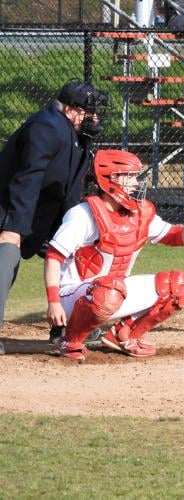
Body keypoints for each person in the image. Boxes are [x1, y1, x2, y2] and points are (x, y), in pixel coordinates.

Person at [43, 149, 184, 361]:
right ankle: (70, 339)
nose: (136, 184)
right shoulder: (83, 214)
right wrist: (54, 302)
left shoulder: (139, 213)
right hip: (71, 297)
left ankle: (123, 335)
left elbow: (171, 235)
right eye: (129, 177)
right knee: (109, 289)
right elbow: (53, 257)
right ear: (110, 179)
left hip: (111, 292)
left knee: (178, 286)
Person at [0, 81, 108, 351]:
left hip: (43, 211)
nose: (95, 118)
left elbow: (70, 189)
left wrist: (71, 229)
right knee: (8, 251)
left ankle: (69, 327)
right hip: (11, 204)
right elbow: (27, 178)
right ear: (71, 111)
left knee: (75, 256)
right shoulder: (46, 127)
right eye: (89, 112)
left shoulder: (77, 136)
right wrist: (14, 227)